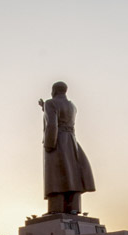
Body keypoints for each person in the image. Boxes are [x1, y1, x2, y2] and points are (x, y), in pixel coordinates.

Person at [41, 81, 95, 215]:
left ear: (53, 91)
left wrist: (49, 144)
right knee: (71, 175)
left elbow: (52, 125)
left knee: (56, 177)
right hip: (71, 141)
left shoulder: (51, 103)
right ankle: (73, 207)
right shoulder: (72, 106)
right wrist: (44, 108)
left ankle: (56, 208)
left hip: (57, 140)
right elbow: (62, 114)